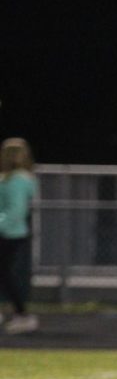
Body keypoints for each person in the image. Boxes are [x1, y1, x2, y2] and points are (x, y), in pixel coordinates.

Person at [0, 138, 38, 334]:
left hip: (8, 233)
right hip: (12, 231)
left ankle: (23, 315)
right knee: (5, 274)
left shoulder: (17, 180)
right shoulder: (17, 178)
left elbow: (16, 209)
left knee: (6, 274)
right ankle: (21, 314)